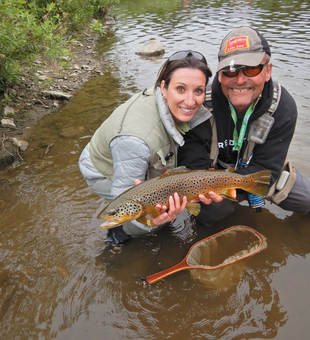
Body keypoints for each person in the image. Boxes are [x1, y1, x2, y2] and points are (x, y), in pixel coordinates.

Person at [79, 50, 224, 244]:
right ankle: (117, 238)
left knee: (163, 202)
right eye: (180, 89)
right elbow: (127, 201)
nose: (191, 101)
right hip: (103, 168)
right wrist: (150, 222)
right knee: (151, 214)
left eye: (198, 91)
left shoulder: (174, 99)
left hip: (136, 151)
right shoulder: (134, 142)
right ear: (163, 88)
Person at [178, 26, 310, 226]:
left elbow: (269, 167)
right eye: (230, 71)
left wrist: (247, 186)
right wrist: (221, 191)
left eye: (251, 69)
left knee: (307, 201)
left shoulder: (282, 106)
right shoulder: (199, 105)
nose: (240, 80)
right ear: (220, 75)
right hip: (212, 175)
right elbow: (194, 164)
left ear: (268, 71)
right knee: (212, 212)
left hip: (260, 168)